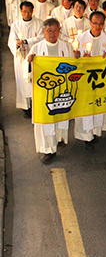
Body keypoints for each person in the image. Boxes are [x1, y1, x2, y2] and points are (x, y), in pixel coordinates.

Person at [27, 19, 74, 163]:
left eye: (54, 30)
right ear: (43, 32)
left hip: (61, 89)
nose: (52, 33)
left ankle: (60, 139)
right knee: (46, 120)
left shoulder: (67, 47)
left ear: (59, 31)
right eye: (48, 30)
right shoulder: (36, 48)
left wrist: (77, 58)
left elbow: (73, 66)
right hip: (44, 92)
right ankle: (48, 149)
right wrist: (30, 62)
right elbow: (28, 72)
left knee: (61, 115)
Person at [74, 11, 106, 149]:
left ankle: (96, 132)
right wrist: (80, 58)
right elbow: (73, 58)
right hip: (85, 78)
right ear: (90, 23)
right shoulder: (80, 38)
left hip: (101, 78)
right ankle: (87, 136)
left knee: (98, 105)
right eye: (95, 23)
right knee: (86, 106)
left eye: (100, 24)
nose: (98, 26)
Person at [8, 1, 43, 118]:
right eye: (24, 12)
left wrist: (27, 41)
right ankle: (26, 107)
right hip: (21, 58)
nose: (27, 14)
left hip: (35, 57)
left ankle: (35, 106)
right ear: (20, 11)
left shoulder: (39, 23)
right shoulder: (15, 25)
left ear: (32, 11)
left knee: (34, 82)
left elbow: (41, 38)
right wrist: (17, 44)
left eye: (29, 12)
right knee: (22, 82)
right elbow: (11, 41)